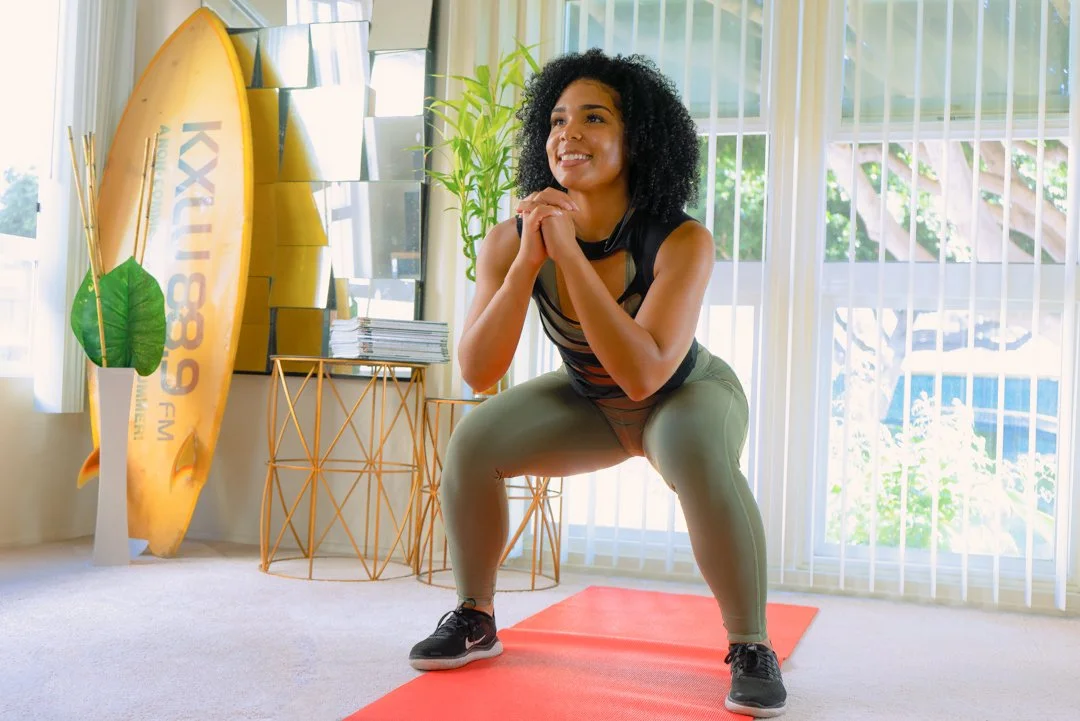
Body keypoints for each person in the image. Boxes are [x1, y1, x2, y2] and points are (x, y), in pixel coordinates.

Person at [408, 48, 788, 718]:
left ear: (634, 138)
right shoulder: (510, 240)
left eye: (593, 117)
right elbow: (476, 369)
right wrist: (530, 258)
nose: (568, 133)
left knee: (699, 455)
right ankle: (475, 614)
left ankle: (751, 643)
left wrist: (570, 257)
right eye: (557, 120)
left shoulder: (681, 241)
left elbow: (643, 373)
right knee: (473, 443)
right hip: (590, 399)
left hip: (683, 395)